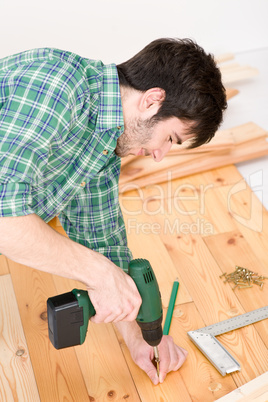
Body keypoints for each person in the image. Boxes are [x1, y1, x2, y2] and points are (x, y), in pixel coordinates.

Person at [0, 38, 227, 385]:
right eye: (171, 139)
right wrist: (101, 275)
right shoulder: (56, 85)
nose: (159, 155)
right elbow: (4, 220)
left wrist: (139, 334)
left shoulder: (103, 146)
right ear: (152, 101)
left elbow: (104, 245)